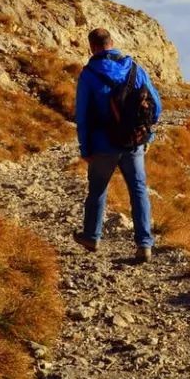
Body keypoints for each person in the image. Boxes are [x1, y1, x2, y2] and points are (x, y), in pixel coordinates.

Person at [73, 28, 162, 263]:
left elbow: (82, 115)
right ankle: (144, 244)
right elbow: (156, 106)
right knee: (138, 190)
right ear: (112, 43)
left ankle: (91, 236)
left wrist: (85, 149)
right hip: (133, 144)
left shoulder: (89, 74)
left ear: (91, 47)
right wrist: (146, 136)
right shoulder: (135, 68)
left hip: (103, 144)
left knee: (98, 190)